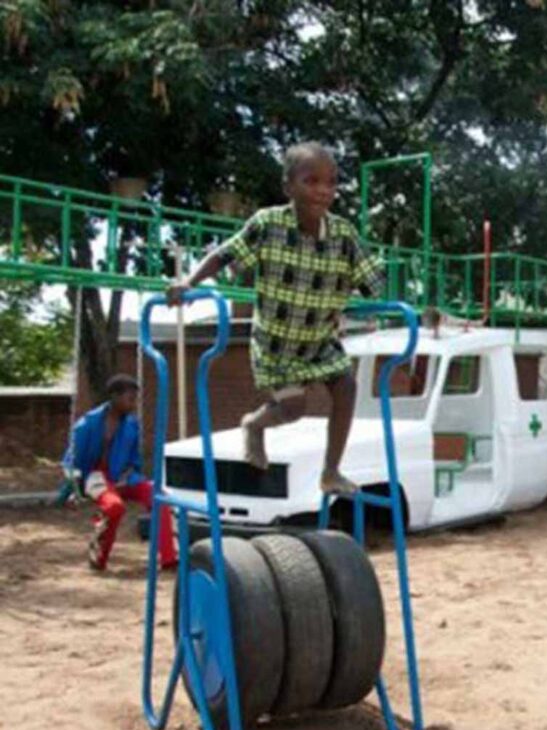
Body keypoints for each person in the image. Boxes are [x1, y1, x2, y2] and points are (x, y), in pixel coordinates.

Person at [167, 142, 383, 495]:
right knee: (294, 407)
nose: (322, 191)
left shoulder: (344, 235)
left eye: (330, 183)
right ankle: (254, 425)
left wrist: (388, 301)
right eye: (311, 181)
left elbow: (373, 279)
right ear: (288, 187)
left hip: (318, 340)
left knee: (346, 386)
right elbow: (225, 255)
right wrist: (188, 282)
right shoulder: (268, 224)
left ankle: (331, 472)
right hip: (276, 343)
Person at [62, 374, 176, 571]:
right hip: (95, 477)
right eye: (130, 399)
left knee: (158, 496)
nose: (134, 404)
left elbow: (134, 459)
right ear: (115, 397)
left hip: (124, 476)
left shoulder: (131, 425)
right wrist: (72, 489)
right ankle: (99, 555)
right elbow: (71, 461)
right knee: (115, 507)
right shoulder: (87, 424)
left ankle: (168, 558)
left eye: (135, 399)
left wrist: (130, 473)